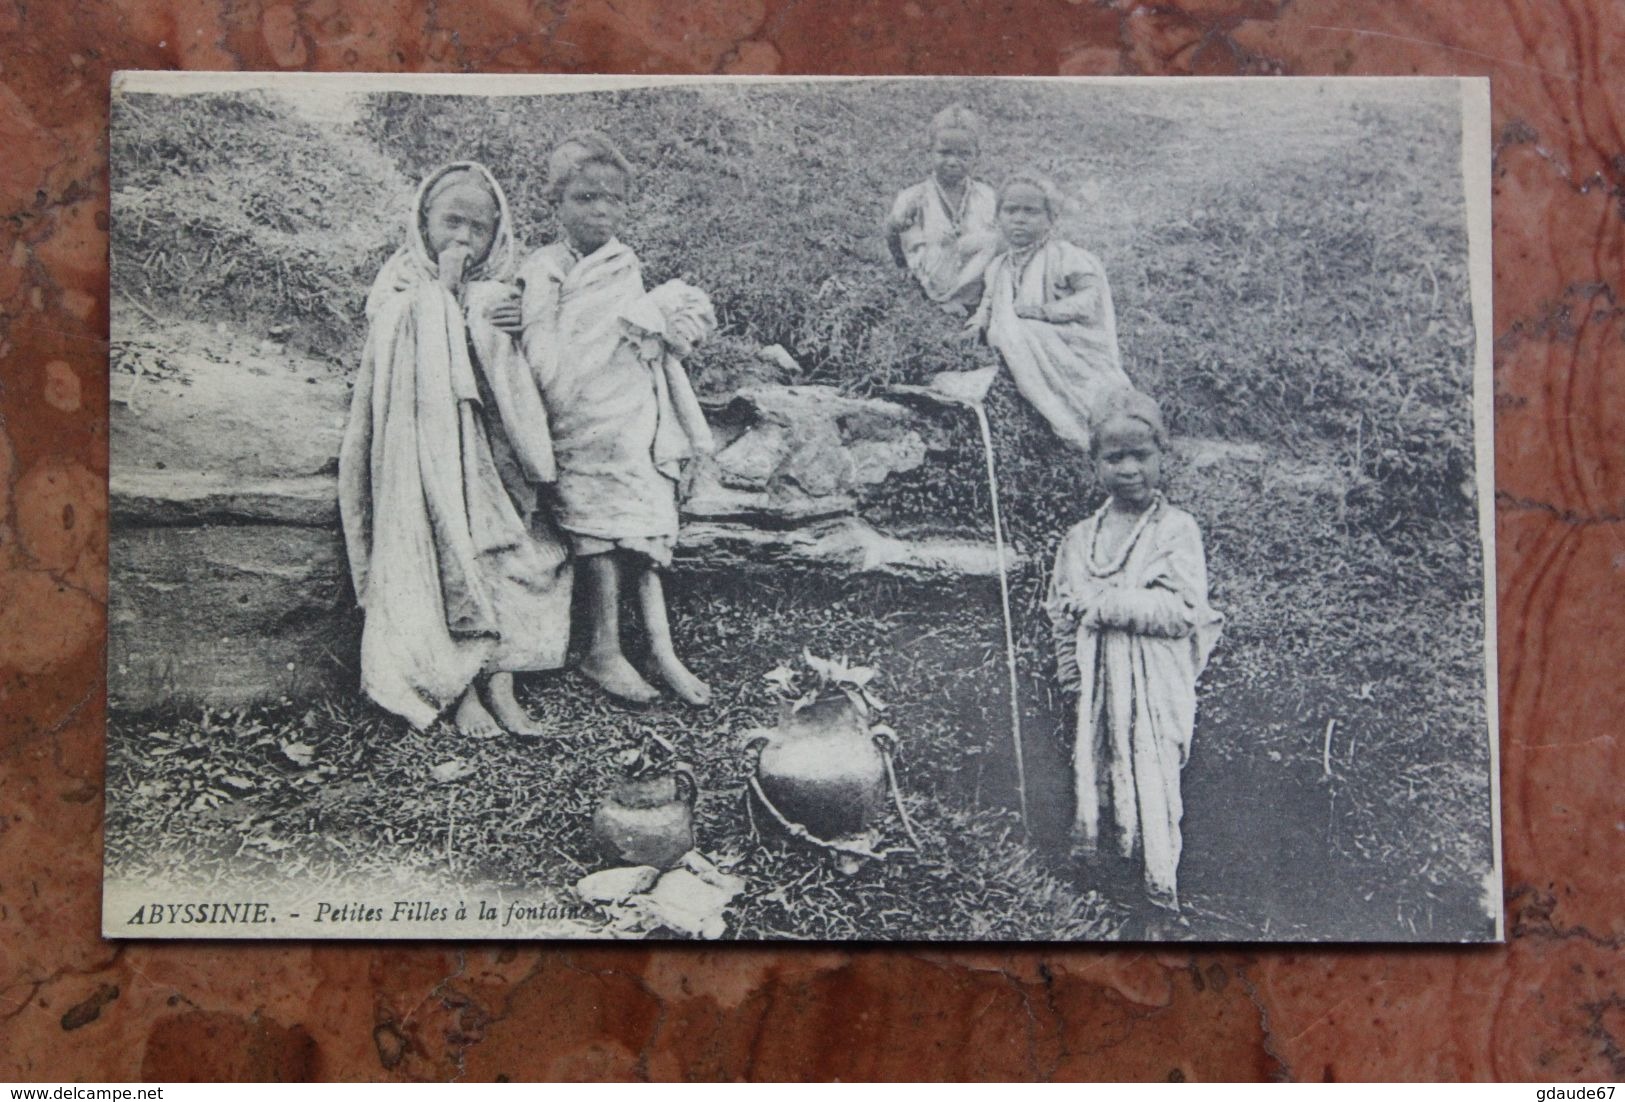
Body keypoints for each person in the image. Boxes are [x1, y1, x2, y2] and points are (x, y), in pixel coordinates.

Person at [338, 161, 573, 739]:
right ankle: (461, 687)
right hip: (425, 451)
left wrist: (518, 323)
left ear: (497, 234)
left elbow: (531, 367)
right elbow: (388, 353)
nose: (463, 238)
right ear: (423, 222)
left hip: (494, 449)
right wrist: (440, 297)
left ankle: (502, 681)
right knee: (449, 546)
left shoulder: (504, 286)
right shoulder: (399, 284)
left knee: (515, 550)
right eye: (451, 222)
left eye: (478, 228)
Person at [516, 132, 716, 707]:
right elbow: (542, 350)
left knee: (646, 518)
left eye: (612, 199)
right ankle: (602, 649)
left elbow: (631, 335)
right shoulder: (543, 268)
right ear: (556, 204)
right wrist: (563, 390)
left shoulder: (623, 264)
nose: (600, 210)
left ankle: (661, 647)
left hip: (627, 414)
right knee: (599, 528)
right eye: (584, 198)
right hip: (577, 421)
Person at [1045, 390, 1221, 913]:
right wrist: (1071, 673)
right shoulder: (1079, 539)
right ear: (1093, 462)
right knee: (1097, 772)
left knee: (1151, 772)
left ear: (1162, 454)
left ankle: (1157, 895)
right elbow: (1061, 608)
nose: (1128, 469)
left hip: (1155, 686)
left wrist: (1106, 605)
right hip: (1097, 686)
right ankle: (1104, 892)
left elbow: (1182, 610)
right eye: (1113, 457)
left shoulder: (1176, 530)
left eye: (1140, 455)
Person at [963, 170, 1133, 451]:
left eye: (1031, 212)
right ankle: (1055, 414)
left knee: (1017, 330)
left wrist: (1045, 312)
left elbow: (1090, 299)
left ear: (1050, 219)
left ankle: (1079, 423)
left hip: (1071, 344)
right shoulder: (998, 267)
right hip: (1021, 343)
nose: (1019, 219)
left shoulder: (1065, 256)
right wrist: (976, 325)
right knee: (1009, 329)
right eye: (1011, 210)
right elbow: (988, 304)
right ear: (998, 216)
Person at [885, 104, 1000, 316]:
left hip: (972, 275)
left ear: (977, 156)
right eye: (944, 153)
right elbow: (893, 234)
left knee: (996, 240)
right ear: (930, 151)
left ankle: (972, 300)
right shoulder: (914, 196)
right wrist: (901, 265)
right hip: (933, 273)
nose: (953, 162)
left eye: (963, 155)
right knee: (927, 236)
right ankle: (944, 300)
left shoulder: (986, 196)